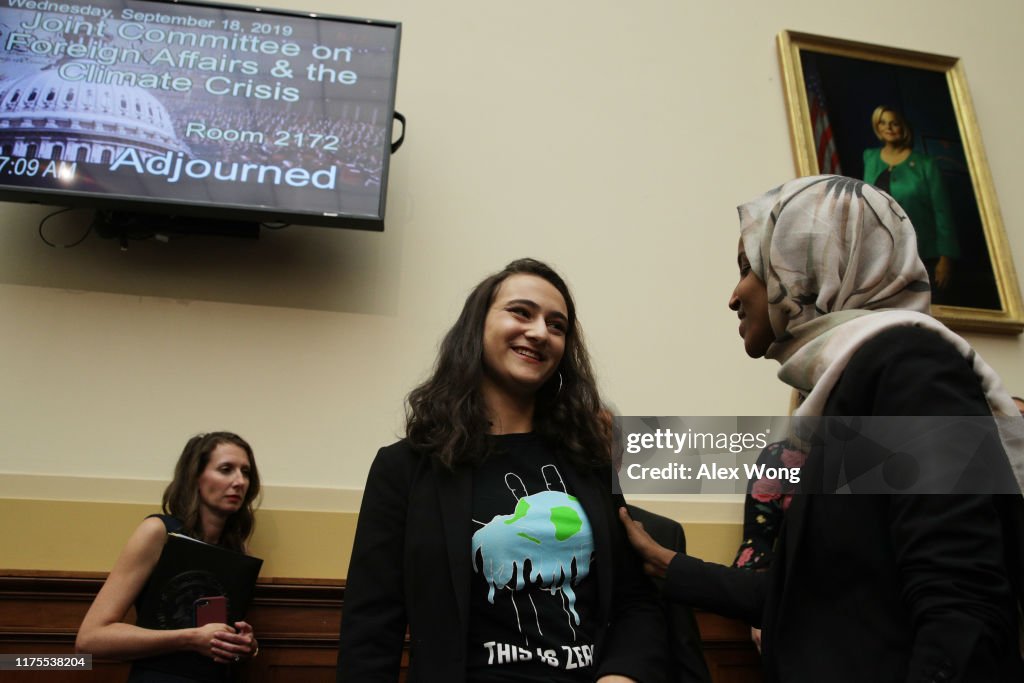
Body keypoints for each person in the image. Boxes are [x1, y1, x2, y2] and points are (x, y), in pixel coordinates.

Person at [621, 175, 1024, 682]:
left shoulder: (913, 367)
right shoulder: (854, 386)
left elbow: (962, 610)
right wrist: (666, 564)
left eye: (749, 268)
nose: (734, 295)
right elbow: (826, 594)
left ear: (806, 267)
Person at [337, 258, 668, 683]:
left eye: (556, 325)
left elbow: (634, 600)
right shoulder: (405, 469)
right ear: (478, 326)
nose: (539, 332)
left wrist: (622, 676)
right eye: (521, 312)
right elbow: (370, 629)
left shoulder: (589, 460)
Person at [76, 432, 261, 682]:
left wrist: (244, 647)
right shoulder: (158, 532)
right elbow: (90, 640)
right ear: (195, 477)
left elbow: (218, 643)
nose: (239, 481)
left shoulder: (238, 551)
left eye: (246, 472)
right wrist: (190, 638)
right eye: (226, 469)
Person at [862, 105, 959, 295]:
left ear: (903, 128)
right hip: (882, 255)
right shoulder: (870, 157)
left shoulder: (926, 164)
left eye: (894, 123)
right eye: (883, 122)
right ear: (877, 127)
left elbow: (942, 212)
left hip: (923, 254)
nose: (888, 127)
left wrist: (946, 257)